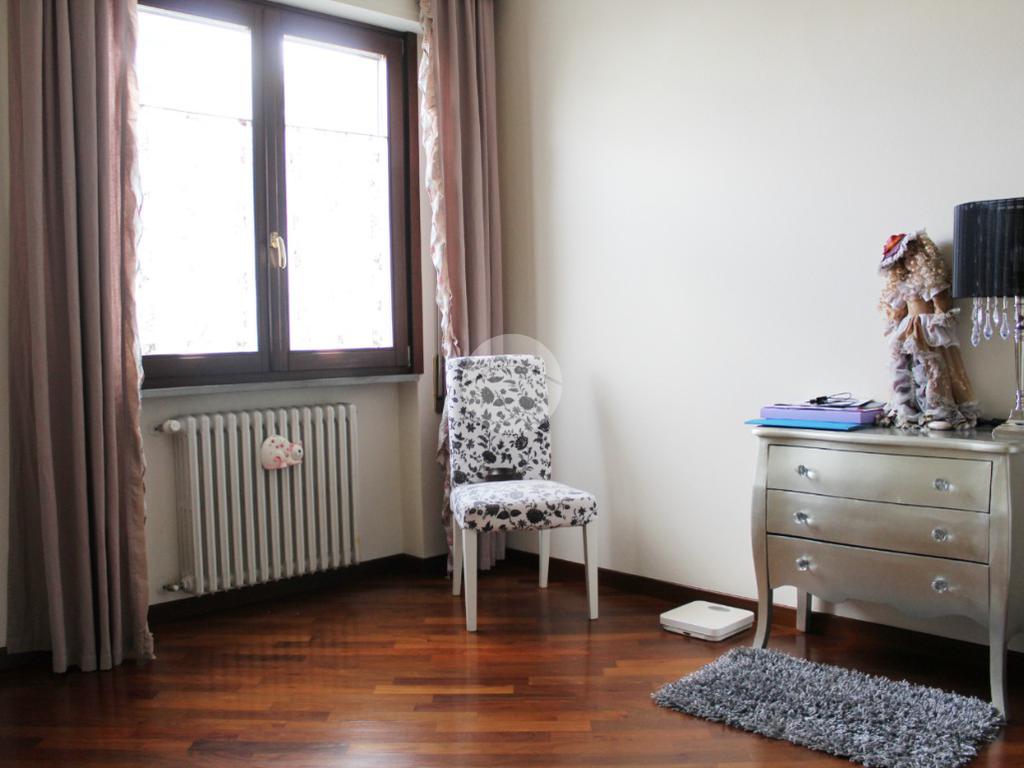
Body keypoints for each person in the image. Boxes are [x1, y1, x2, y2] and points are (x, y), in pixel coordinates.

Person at [879, 231, 978, 430]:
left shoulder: (928, 281)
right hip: (908, 327)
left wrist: (940, 318)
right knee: (905, 367)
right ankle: (908, 409)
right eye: (903, 258)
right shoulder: (904, 284)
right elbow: (899, 307)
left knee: (930, 367)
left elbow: (941, 303)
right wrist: (892, 316)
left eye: (911, 256)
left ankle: (936, 409)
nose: (907, 262)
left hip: (925, 327)